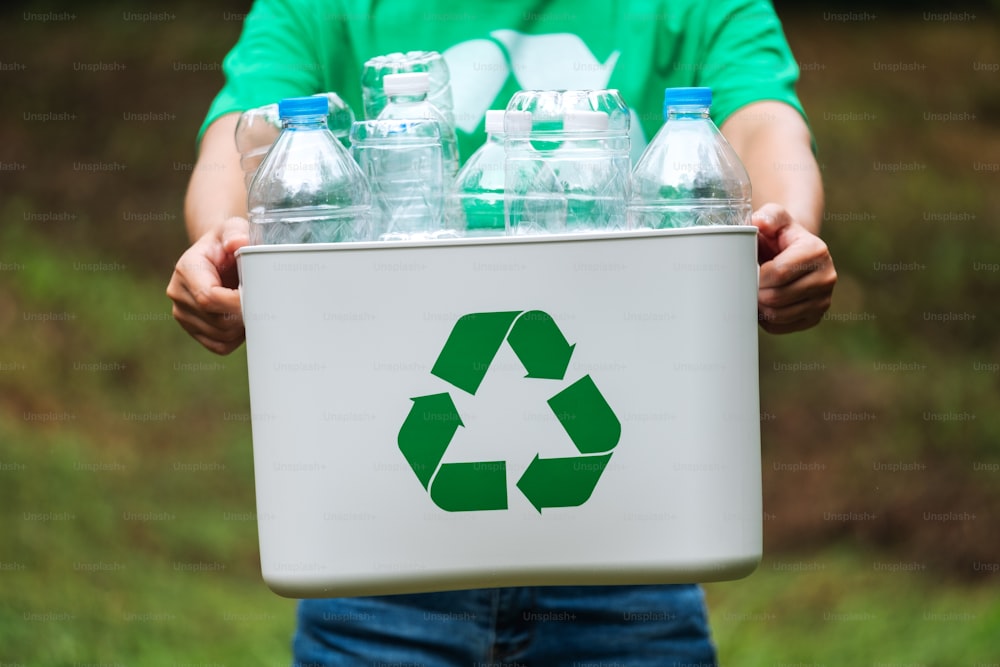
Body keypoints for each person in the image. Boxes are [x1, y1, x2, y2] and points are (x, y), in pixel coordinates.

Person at [167, 0, 837, 664]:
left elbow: (766, 128)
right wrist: (223, 242)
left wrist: (785, 232)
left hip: (631, 549)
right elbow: (236, 147)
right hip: (376, 558)